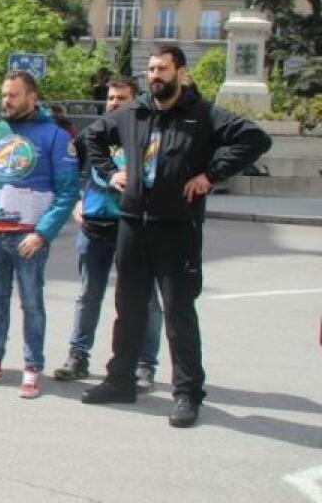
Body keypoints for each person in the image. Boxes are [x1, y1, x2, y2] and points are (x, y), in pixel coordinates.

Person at [81, 45, 271, 427]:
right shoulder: (133, 113)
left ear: (180, 72)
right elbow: (91, 138)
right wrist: (109, 172)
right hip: (133, 223)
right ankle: (120, 381)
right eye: (151, 69)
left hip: (177, 227)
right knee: (129, 308)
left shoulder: (201, 115)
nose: (155, 76)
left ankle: (187, 394)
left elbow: (255, 139)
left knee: (179, 313)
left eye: (163, 69)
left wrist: (211, 175)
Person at [0, 71, 79, 399]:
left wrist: (42, 234)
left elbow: (68, 191)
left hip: (29, 239)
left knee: (32, 303)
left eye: (13, 95)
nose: (5, 101)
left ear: (32, 97)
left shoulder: (54, 136)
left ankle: (32, 367)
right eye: (3, 95)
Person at [52, 76, 164, 389]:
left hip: (135, 226)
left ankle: (145, 363)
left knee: (146, 299)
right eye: (111, 98)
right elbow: (70, 170)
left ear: (136, 100)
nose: (114, 103)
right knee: (89, 294)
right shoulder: (94, 132)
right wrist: (76, 200)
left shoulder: (149, 132)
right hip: (95, 225)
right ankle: (77, 357)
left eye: (121, 98)